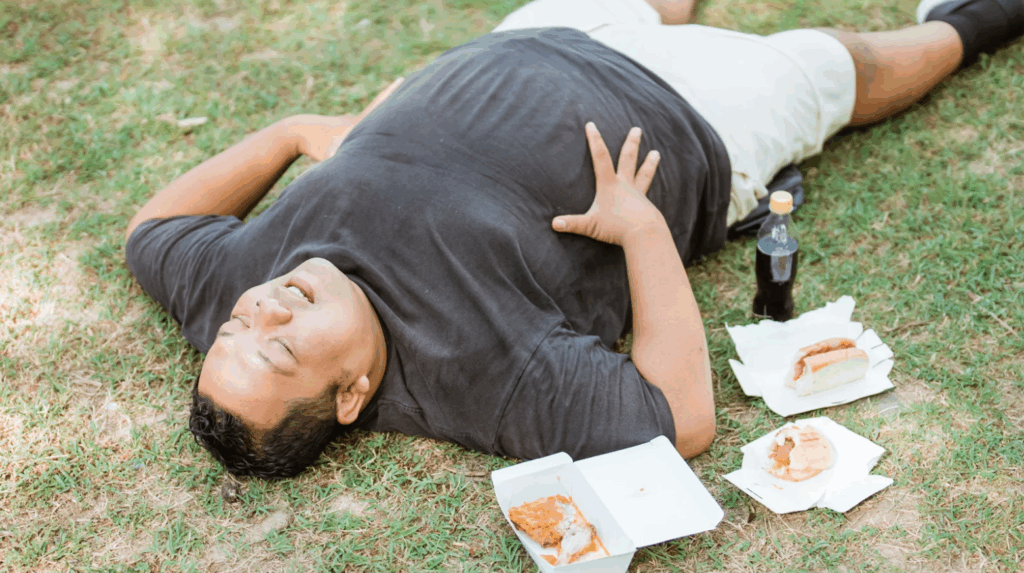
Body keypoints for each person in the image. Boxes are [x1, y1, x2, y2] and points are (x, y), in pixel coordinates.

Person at [124, 0, 1024, 478]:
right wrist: (641, 233)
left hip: (538, 34)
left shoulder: (233, 290)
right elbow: (683, 420)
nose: (259, 312)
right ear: (354, 393)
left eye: (235, 331)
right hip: (692, 118)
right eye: (279, 348)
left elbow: (150, 231)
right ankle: (977, 17)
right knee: (850, 63)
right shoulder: (478, 376)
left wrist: (291, 132)